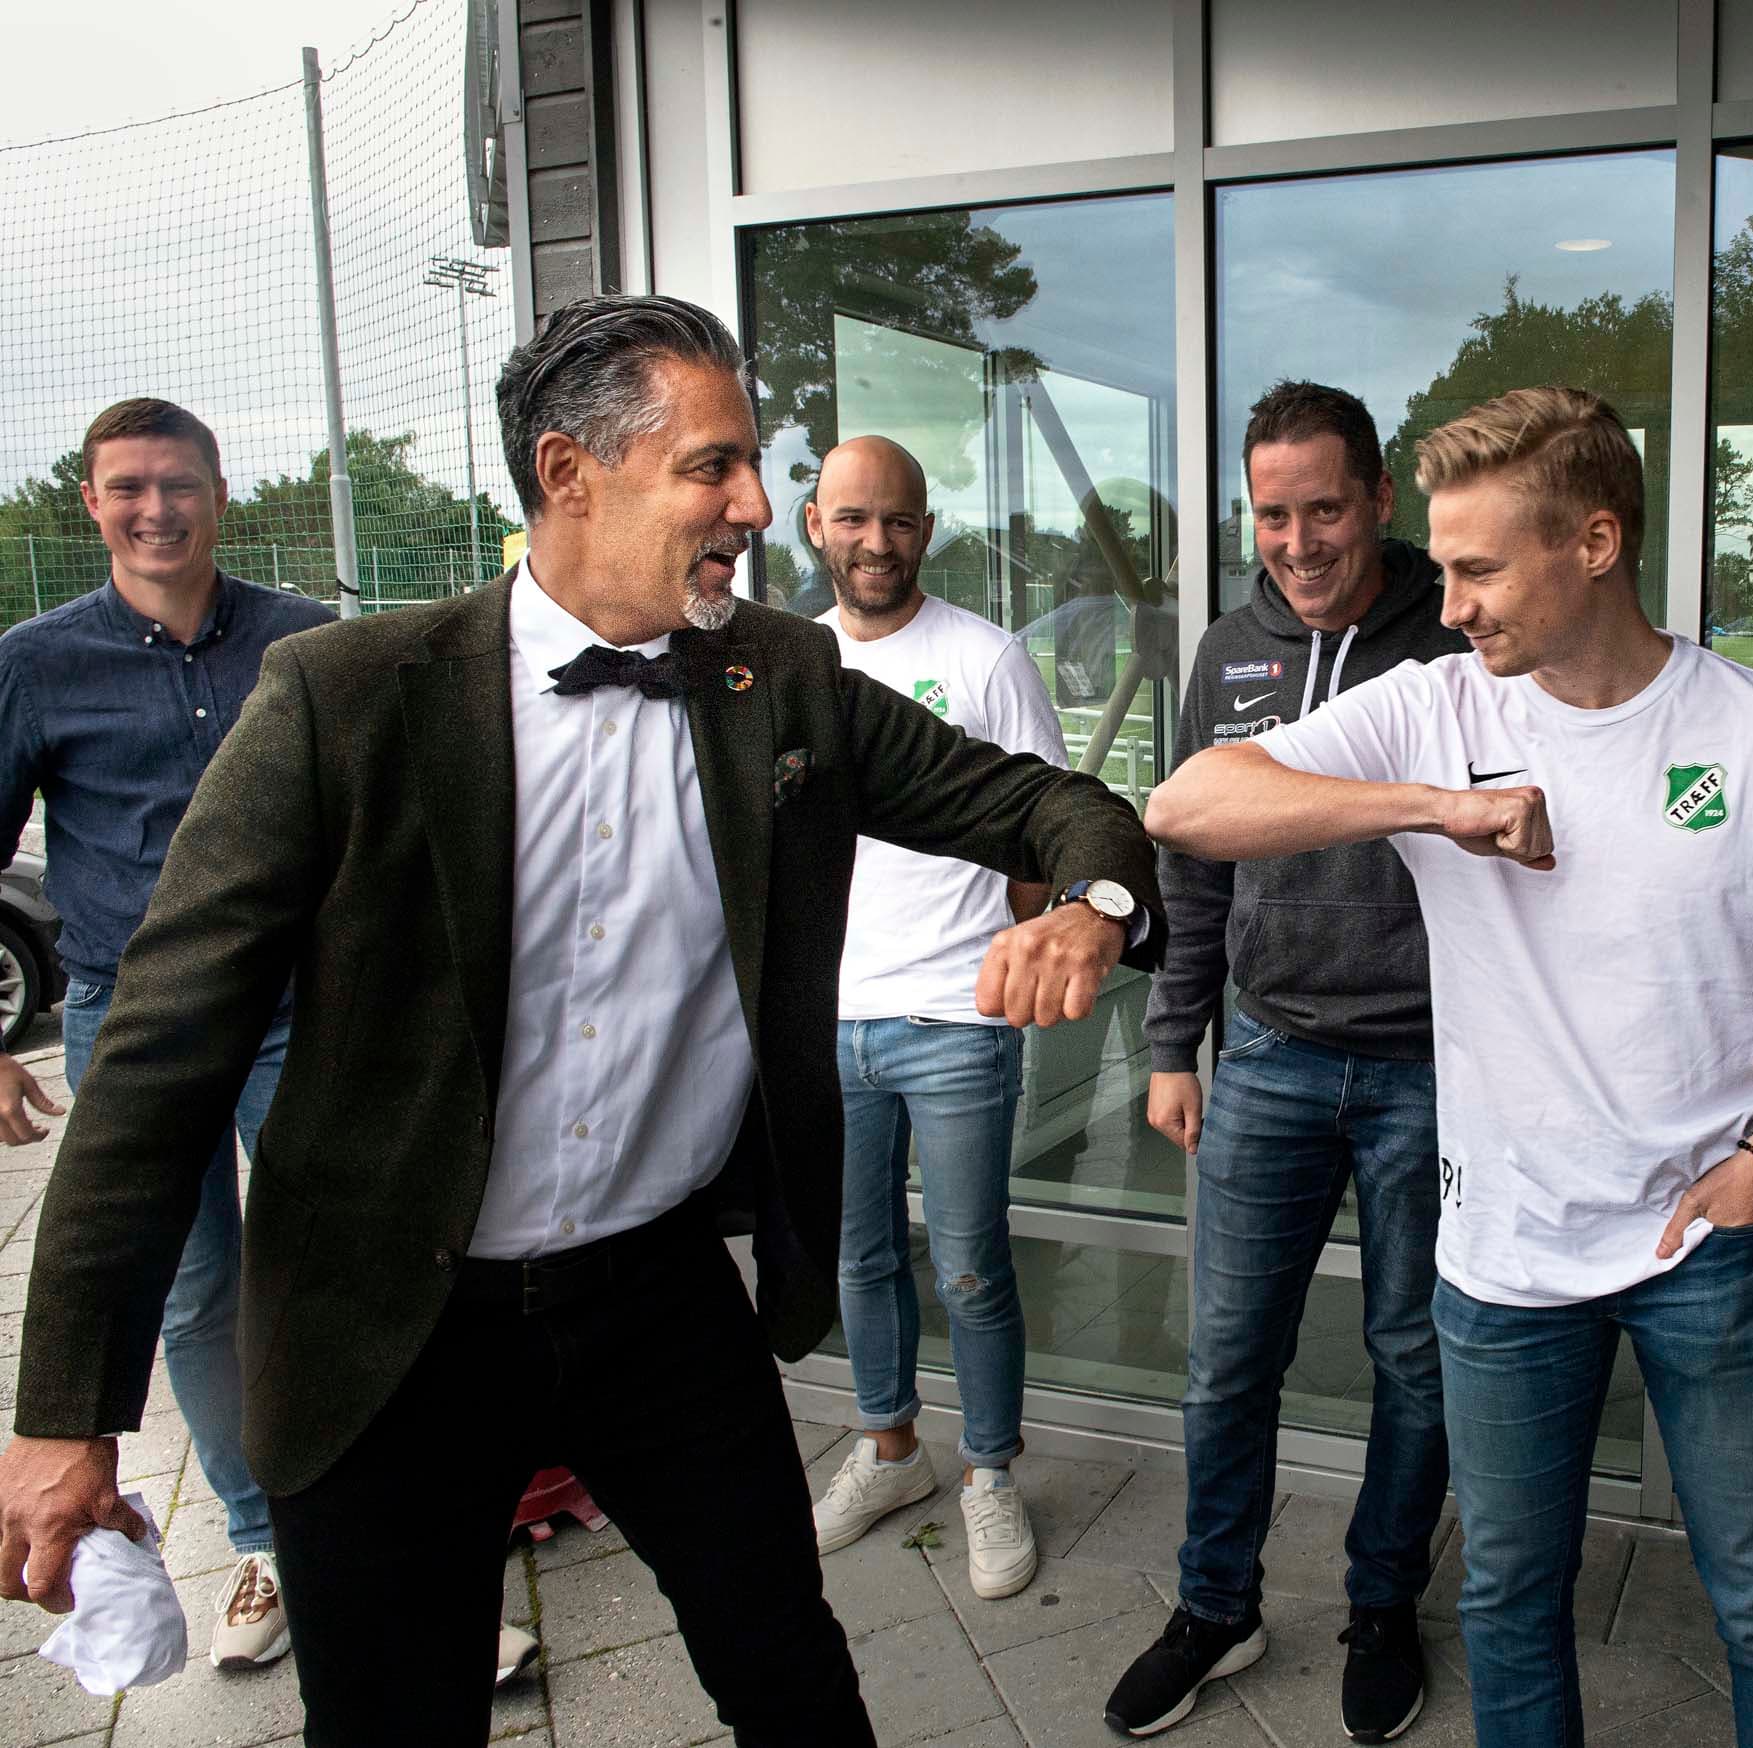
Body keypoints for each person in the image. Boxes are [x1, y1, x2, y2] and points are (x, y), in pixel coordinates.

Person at [0, 295, 1163, 1746]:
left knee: (798, 1687)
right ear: (569, 474)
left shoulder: (785, 680)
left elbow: (1052, 804)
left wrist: (1091, 903)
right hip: (389, 1319)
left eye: (750, 466)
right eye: (711, 467)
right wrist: (64, 1414)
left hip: (658, 1299)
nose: (756, 507)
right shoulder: (342, 698)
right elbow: (156, 1062)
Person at [1143, 386, 1753, 1748]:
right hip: (1503, 1253)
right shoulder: (1435, 708)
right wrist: (1441, 808)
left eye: (1479, 570)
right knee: (1509, 1597)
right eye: (1443, 569)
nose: (1448, 604)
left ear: (1595, 543)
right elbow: (1185, 802)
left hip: (1714, 1241)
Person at [1104, 382, 1466, 1742]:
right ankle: (1217, 1606)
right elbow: (1192, 866)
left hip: (1430, 1068)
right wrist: (1173, 1043)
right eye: (1271, 515)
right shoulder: (1229, 652)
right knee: (1228, 1358)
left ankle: (1383, 1604)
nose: (1299, 542)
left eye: (1324, 509)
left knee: (1413, 1358)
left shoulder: (1454, 636)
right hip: (1266, 1055)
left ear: (1379, 499)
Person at [0, 398, 333, 1671]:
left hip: (296, 1011)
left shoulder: (304, 642)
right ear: (91, 502)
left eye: (178, 482)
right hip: (133, 1025)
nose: (156, 508)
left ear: (219, 493)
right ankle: (262, 1539)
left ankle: (362, 1527)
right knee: (193, 1292)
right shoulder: (35, 663)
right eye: (129, 487)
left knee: (328, 1271)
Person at [800, 435, 1067, 1600]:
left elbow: (1047, 818)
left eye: (899, 520)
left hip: (956, 1015)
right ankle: (890, 1448)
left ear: (927, 529)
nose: (877, 541)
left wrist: (1015, 941)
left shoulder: (983, 656)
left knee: (967, 1267)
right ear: (816, 525)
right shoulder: (791, 661)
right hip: (829, 1016)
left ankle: (989, 1473)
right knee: (858, 1255)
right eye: (854, 518)